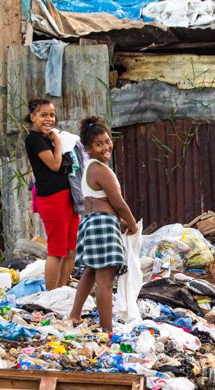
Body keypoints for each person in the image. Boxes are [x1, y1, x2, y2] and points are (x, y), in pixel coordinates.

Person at [69, 116, 136, 334]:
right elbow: (117, 202)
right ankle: (107, 329)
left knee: (92, 269)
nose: (106, 147)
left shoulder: (91, 168)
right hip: (102, 224)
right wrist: (133, 224)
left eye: (107, 141)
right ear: (88, 149)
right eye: (99, 144)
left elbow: (102, 202)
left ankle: (75, 314)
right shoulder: (100, 170)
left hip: (91, 222)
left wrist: (122, 221)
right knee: (105, 279)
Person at [23, 97, 81, 290]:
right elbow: (55, 165)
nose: (49, 119)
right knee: (56, 251)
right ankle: (51, 294)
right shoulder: (34, 139)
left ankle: (61, 289)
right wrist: (57, 140)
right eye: (43, 115)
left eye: (52, 115)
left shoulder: (46, 138)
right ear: (33, 117)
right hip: (53, 199)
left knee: (70, 249)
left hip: (68, 197)